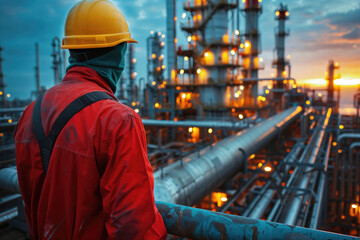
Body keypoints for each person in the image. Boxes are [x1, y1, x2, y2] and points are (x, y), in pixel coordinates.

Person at [14, 0, 167, 239]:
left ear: (72, 51)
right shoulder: (118, 121)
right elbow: (134, 225)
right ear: (117, 53)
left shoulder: (29, 114)